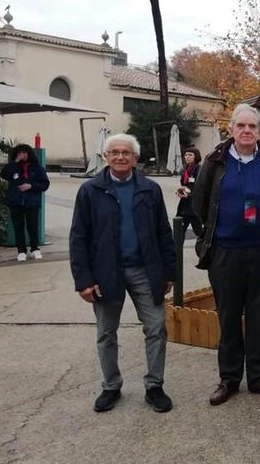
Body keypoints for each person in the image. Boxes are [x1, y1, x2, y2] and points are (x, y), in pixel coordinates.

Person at [68, 133, 176, 413]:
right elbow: (78, 237)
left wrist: (169, 272)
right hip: (106, 273)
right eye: (114, 152)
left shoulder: (150, 189)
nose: (120, 157)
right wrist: (83, 280)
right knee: (106, 333)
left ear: (135, 158)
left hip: (144, 270)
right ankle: (111, 386)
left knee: (156, 327)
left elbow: (164, 233)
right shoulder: (91, 191)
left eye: (126, 152)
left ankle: (154, 385)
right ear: (106, 157)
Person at [193, 103, 260, 406]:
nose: (247, 131)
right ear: (231, 129)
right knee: (229, 316)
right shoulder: (215, 162)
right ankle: (229, 378)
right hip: (226, 252)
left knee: (259, 314)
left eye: (253, 127)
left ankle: (259, 376)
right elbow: (199, 202)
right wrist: (208, 235)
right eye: (241, 126)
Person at [0, 144, 50, 261]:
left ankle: (35, 249)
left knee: (32, 226)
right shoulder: (14, 167)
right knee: (18, 227)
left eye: (24, 152)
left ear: (29, 153)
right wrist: (16, 161)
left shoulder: (37, 169)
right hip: (16, 202)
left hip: (31, 202)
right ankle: (21, 250)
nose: (22, 155)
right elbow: (4, 174)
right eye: (19, 153)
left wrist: (31, 186)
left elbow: (45, 184)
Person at [175, 147, 203, 237]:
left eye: (190, 155)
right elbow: (185, 185)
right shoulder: (185, 170)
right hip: (184, 205)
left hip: (194, 206)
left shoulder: (199, 170)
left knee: (199, 232)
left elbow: (201, 187)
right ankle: (176, 250)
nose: (187, 157)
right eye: (186, 155)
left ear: (196, 157)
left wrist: (189, 193)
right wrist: (181, 190)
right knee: (178, 231)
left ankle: (205, 250)